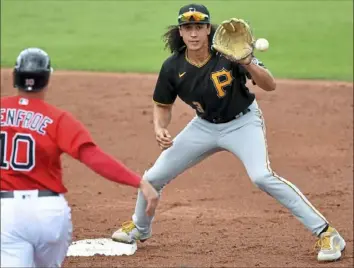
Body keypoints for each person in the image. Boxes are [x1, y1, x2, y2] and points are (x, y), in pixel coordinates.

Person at [111, 3, 347, 262]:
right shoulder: (172, 67)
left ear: (207, 29)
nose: (193, 33)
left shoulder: (229, 53)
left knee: (261, 176)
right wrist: (160, 127)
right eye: (187, 28)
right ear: (180, 32)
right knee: (153, 177)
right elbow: (162, 105)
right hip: (203, 126)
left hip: (242, 123)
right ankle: (140, 228)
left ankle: (326, 232)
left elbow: (270, 85)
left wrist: (247, 63)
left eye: (199, 27)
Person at [0, 48, 159, 267]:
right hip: (48, 213)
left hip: (6, 211)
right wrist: (140, 182)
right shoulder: (57, 119)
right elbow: (93, 157)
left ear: (15, 77)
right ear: (47, 78)